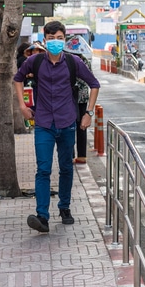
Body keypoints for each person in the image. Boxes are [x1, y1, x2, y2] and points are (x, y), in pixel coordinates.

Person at [13, 21, 100, 233]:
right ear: (44, 40)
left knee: (66, 168)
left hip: (67, 121)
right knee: (43, 169)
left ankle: (65, 207)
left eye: (59, 38)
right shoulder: (34, 61)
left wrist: (88, 113)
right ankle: (42, 215)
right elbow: (18, 79)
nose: (55, 42)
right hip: (43, 123)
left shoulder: (74, 62)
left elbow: (94, 84)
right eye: (51, 39)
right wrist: (22, 106)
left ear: (65, 40)